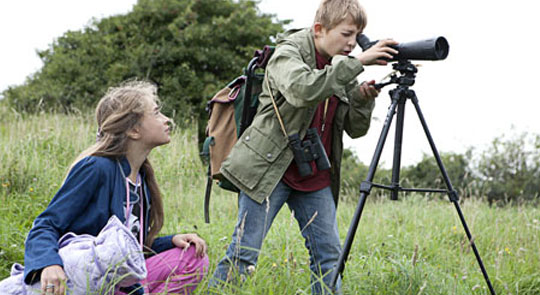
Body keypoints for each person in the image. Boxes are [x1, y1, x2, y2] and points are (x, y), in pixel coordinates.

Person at [210, 0, 398, 294]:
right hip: (269, 167)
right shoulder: (290, 51)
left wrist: (363, 99)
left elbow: (355, 129)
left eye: (357, 36)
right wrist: (359, 62)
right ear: (320, 29)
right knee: (244, 253)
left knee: (329, 259)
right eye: (346, 34)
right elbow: (303, 90)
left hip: (314, 172)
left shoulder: (342, 62)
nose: (352, 43)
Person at [22, 80, 209, 295]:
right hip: (89, 280)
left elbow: (129, 251)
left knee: (193, 257)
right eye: (156, 113)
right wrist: (49, 264)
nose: (167, 120)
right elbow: (45, 224)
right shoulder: (96, 168)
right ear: (134, 130)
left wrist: (169, 242)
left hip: (122, 282)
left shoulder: (142, 178)